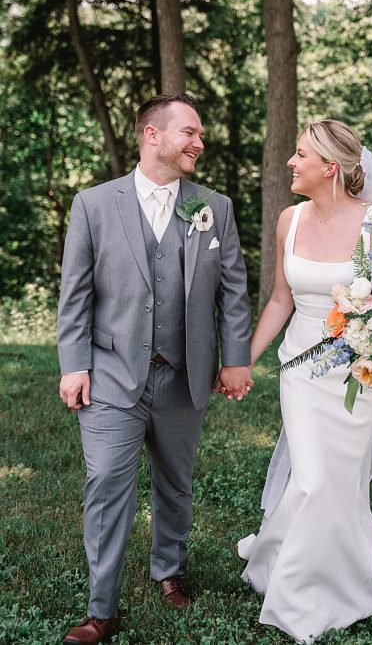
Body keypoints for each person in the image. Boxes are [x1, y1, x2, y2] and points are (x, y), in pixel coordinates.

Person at [56, 93, 253, 645]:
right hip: (111, 372)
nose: (199, 142)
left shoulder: (215, 206)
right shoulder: (93, 205)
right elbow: (75, 296)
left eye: (200, 134)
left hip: (184, 374)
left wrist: (234, 360)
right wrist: (74, 365)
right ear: (152, 135)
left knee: (176, 482)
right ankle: (102, 609)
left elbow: (234, 294)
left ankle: (169, 570)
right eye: (189, 132)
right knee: (106, 483)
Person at [236, 120, 372, 642]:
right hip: (303, 371)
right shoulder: (289, 220)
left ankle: (336, 581)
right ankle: (298, 592)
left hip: (360, 373)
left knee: (341, 482)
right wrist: (240, 360)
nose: (290, 161)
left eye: (300, 154)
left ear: (330, 167)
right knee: (310, 477)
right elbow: (281, 301)